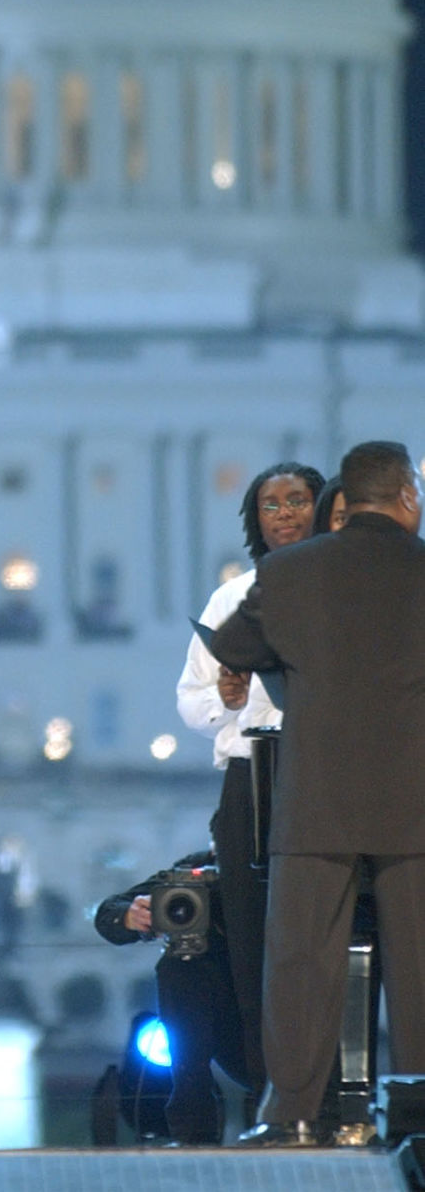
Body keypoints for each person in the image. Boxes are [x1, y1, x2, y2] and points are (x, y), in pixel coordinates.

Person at [213, 440, 425, 1146]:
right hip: (414, 795)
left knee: (301, 961)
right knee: (419, 962)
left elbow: (232, 645)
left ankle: (293, 1113)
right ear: (405, 499)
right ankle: (418, 1113)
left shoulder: (289, 571)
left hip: (315, 796)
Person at [176, 461, 324, 1094]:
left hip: (320, 778)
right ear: (255, 519)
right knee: (248, 937)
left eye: (297, 501)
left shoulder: (341, 592)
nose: (285, 513)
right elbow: (191, 703)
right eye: (272, 505)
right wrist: (230, 700)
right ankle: (268, 1088)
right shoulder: (231, 600)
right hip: (248, 783)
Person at [95, 850, 246, 1145]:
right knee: (181, 962)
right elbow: (110, 912)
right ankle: (193, 1126)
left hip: (295, 1011)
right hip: (232, 1019)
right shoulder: (202, 872)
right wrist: (133, 915)